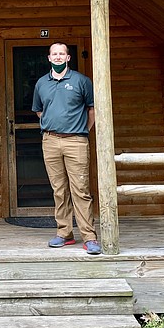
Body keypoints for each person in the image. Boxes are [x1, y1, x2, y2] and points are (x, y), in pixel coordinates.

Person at [32, 42, 102, 255]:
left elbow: (92, 110)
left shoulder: (81, 81)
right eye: (55, 54)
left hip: (76, 141)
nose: (58, 57)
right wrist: (53, 127)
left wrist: (81, 131)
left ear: (68, 57)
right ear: (49, 57)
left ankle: (89, 237)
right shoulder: (42, 83)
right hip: (50, 141)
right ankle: (64, 233)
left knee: (80, 189)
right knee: (59, 190)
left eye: (62, 54)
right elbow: (39, 111)